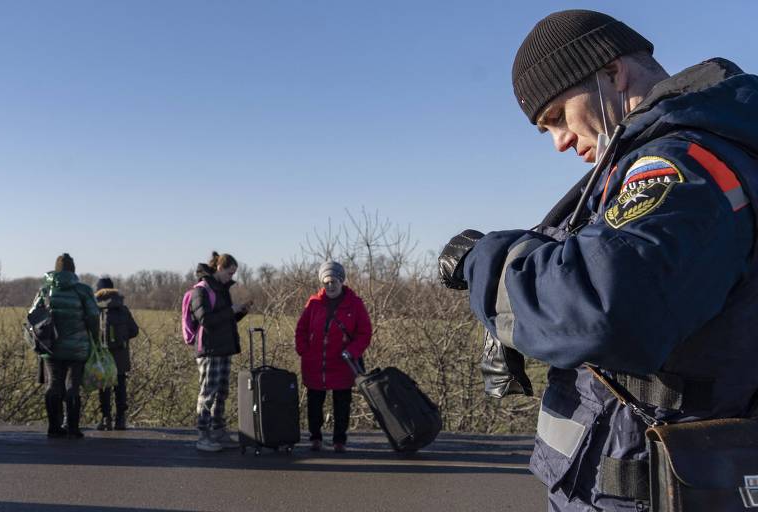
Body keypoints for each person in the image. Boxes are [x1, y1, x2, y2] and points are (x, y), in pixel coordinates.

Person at [438, 9, 758, 511]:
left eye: (557, 117)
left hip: (651, 487)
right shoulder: (686, 154)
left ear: (611, 72)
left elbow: (604, 303)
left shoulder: (681, 165)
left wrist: (489, 263)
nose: (561, 141)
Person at [295, 261, 372, 453]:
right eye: (326, 282)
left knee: (342, 405)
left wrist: (352, 351)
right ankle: (315, 438)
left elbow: (364, 333)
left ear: (341, 281)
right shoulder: (313, 303)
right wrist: (303, 349)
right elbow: (301, 328)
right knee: (314, 404)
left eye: (333, 281)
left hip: (342, 363)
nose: (330, 286)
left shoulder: (355, 304)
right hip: (315, 363)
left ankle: (339, 440)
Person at [30, 253, 100, 439]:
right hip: (77, 347)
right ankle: (72, 427)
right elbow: (94, 315)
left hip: (50, 346)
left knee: (53, 384)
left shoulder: (45, 290)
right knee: (72, 385)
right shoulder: (83, 290)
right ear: (73, 270)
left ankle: (53, 426)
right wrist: (95, 338)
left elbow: (32, 315)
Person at [190, 251, 250, 452]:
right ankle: (203, 435)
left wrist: (240, 311)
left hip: (224, 347)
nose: (231, 277)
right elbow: (205, 320)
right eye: (229, 272)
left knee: (221, 392)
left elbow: (225, 320)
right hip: (209, 349)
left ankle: (218, 430)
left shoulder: (223, 290)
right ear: (219, 268)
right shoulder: (202, 290)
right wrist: (231, 310)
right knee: (207, 393)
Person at [94, 277, 139, 431]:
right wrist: (122, 339)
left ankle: (105, 419)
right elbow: (134, 330)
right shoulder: (122, 309)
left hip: (102, 356)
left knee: (104, 387)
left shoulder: (95, 309)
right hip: (120, 357)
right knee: (120, 387)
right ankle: (120, 420)